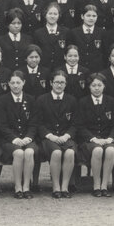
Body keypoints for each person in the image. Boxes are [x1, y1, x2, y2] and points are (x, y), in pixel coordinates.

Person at [35, 69, 78, 199]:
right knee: (57, 152)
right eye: (57, 82)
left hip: (66, 137)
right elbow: (38, 123)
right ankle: (56, 187)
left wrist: (66, 136)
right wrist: (50, 136)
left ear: (66, 84)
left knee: (70, 152)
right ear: (51, 83)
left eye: (62, 83)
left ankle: (65, 187)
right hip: (49, 138)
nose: (59, 85)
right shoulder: (42, 100)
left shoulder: (71, 100)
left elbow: (75, 124)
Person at [77, 73, 114, 197]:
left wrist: (110, 138)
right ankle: (96, 185)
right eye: (93, 85)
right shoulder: (83, 102)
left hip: (108, 139)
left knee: (111, 150)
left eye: (99, 85)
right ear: (89, 87)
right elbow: (80, 126)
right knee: (97, 150)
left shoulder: (111, 101)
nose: (96, 88)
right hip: (90, 140)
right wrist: (93, 138)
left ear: (104, 86)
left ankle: (104, 185)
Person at [0, 70, 38, 198]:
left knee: (29, 152)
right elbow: (2, 125)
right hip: (9, 141)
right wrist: (14, 139)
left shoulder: (31, 100)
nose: (15, 85)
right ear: (8, 84)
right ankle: (18, 187)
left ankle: (26, 187)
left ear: (23, 83)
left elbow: (34, 123)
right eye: (12, 83)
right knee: (19, 153)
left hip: (27, 139)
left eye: (18, 82)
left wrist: (28, 138)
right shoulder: (3, 100)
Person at [68, 4, 106, 72]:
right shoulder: (74, 32)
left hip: (97, 69)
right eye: (88, 15)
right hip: (79, 68)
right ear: (82, 16)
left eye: (94, 16)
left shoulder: (102, 32)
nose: (91, 18)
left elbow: (104, 52)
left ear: (97, 17)